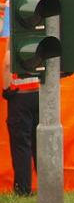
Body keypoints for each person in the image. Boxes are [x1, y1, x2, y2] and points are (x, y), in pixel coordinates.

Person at [2, 50, 40, 195]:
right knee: (41, 144)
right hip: (40, 95)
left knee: (21, 145)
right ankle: (48, 187)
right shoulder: (42, 35)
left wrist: (6, 89)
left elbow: (7, 64)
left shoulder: (17, 34)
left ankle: (23, 189)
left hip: (20, 97)